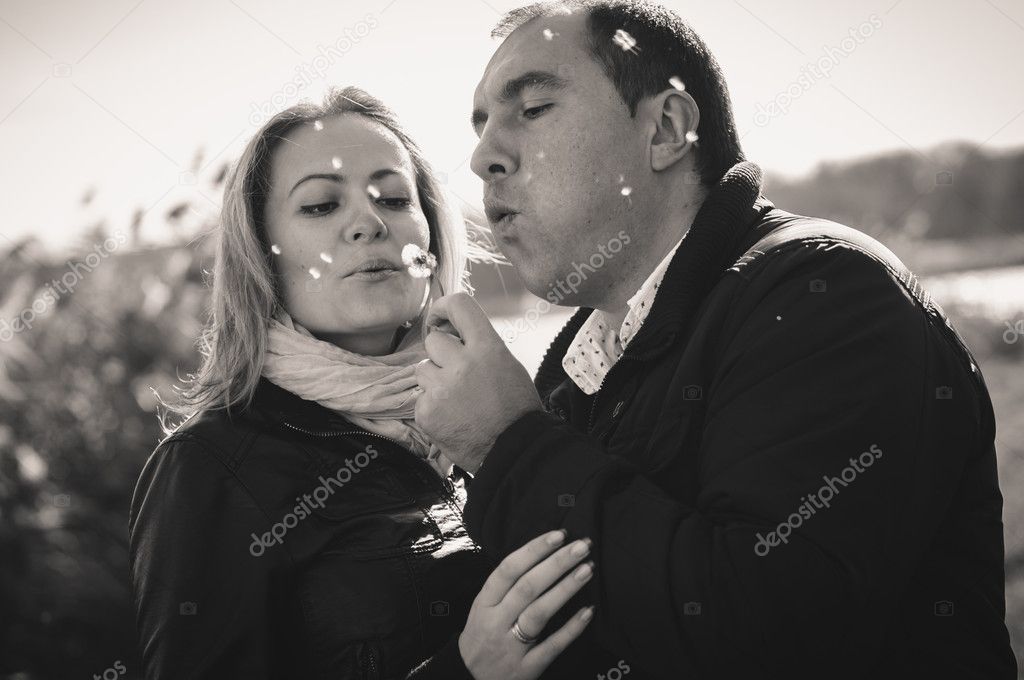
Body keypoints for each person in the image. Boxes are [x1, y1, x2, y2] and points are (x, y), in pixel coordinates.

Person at [412, 2, 1018, 678]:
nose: (482, 156)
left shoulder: (828, 297)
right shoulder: (570, 369)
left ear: (667, 128)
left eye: (531, 109)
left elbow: (765, 632)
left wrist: (507, 446)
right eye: (480, 123)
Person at [128, 86, 595, 680]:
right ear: (262, 256)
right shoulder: (212, 465)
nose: (369, 223)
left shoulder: (500, 412)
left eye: (395, 198)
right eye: (321, 206)